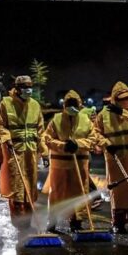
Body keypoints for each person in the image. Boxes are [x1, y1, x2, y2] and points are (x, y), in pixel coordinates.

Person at [94, 82, 128, 234]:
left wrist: (123, 113)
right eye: (122, 99)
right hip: (114, 157)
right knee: (118, 190)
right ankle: (118, 222)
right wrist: (106, 144)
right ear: (114, 100)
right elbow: (95, 133)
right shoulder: (103, 114)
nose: (126, 102)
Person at [42, 90, 97, 232]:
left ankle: (77, 221)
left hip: (79, 164)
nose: (72, 107)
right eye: (69, 104)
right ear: (64, 105)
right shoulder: (56, 120)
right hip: (59, 165)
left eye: (75, 104)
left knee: (79, 193)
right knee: (57, 194)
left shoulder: (86, 121)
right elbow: (47, 139)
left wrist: (78, 144)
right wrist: (63, 146)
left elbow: (93, 139)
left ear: (79, 105)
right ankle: (53, 221)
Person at [0, 76, 48, 226]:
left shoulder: (35, 105)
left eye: (30, 86)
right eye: (25, 87)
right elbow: (0, 125)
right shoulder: (6, 104)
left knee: (30, 187)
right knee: (17, 187)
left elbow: (40, 131)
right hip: (15, 152)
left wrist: (44, 153)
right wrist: (6, 139)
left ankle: (29, 219)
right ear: (17, 88)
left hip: (30, 152)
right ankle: (19, 221)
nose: (28, 89)